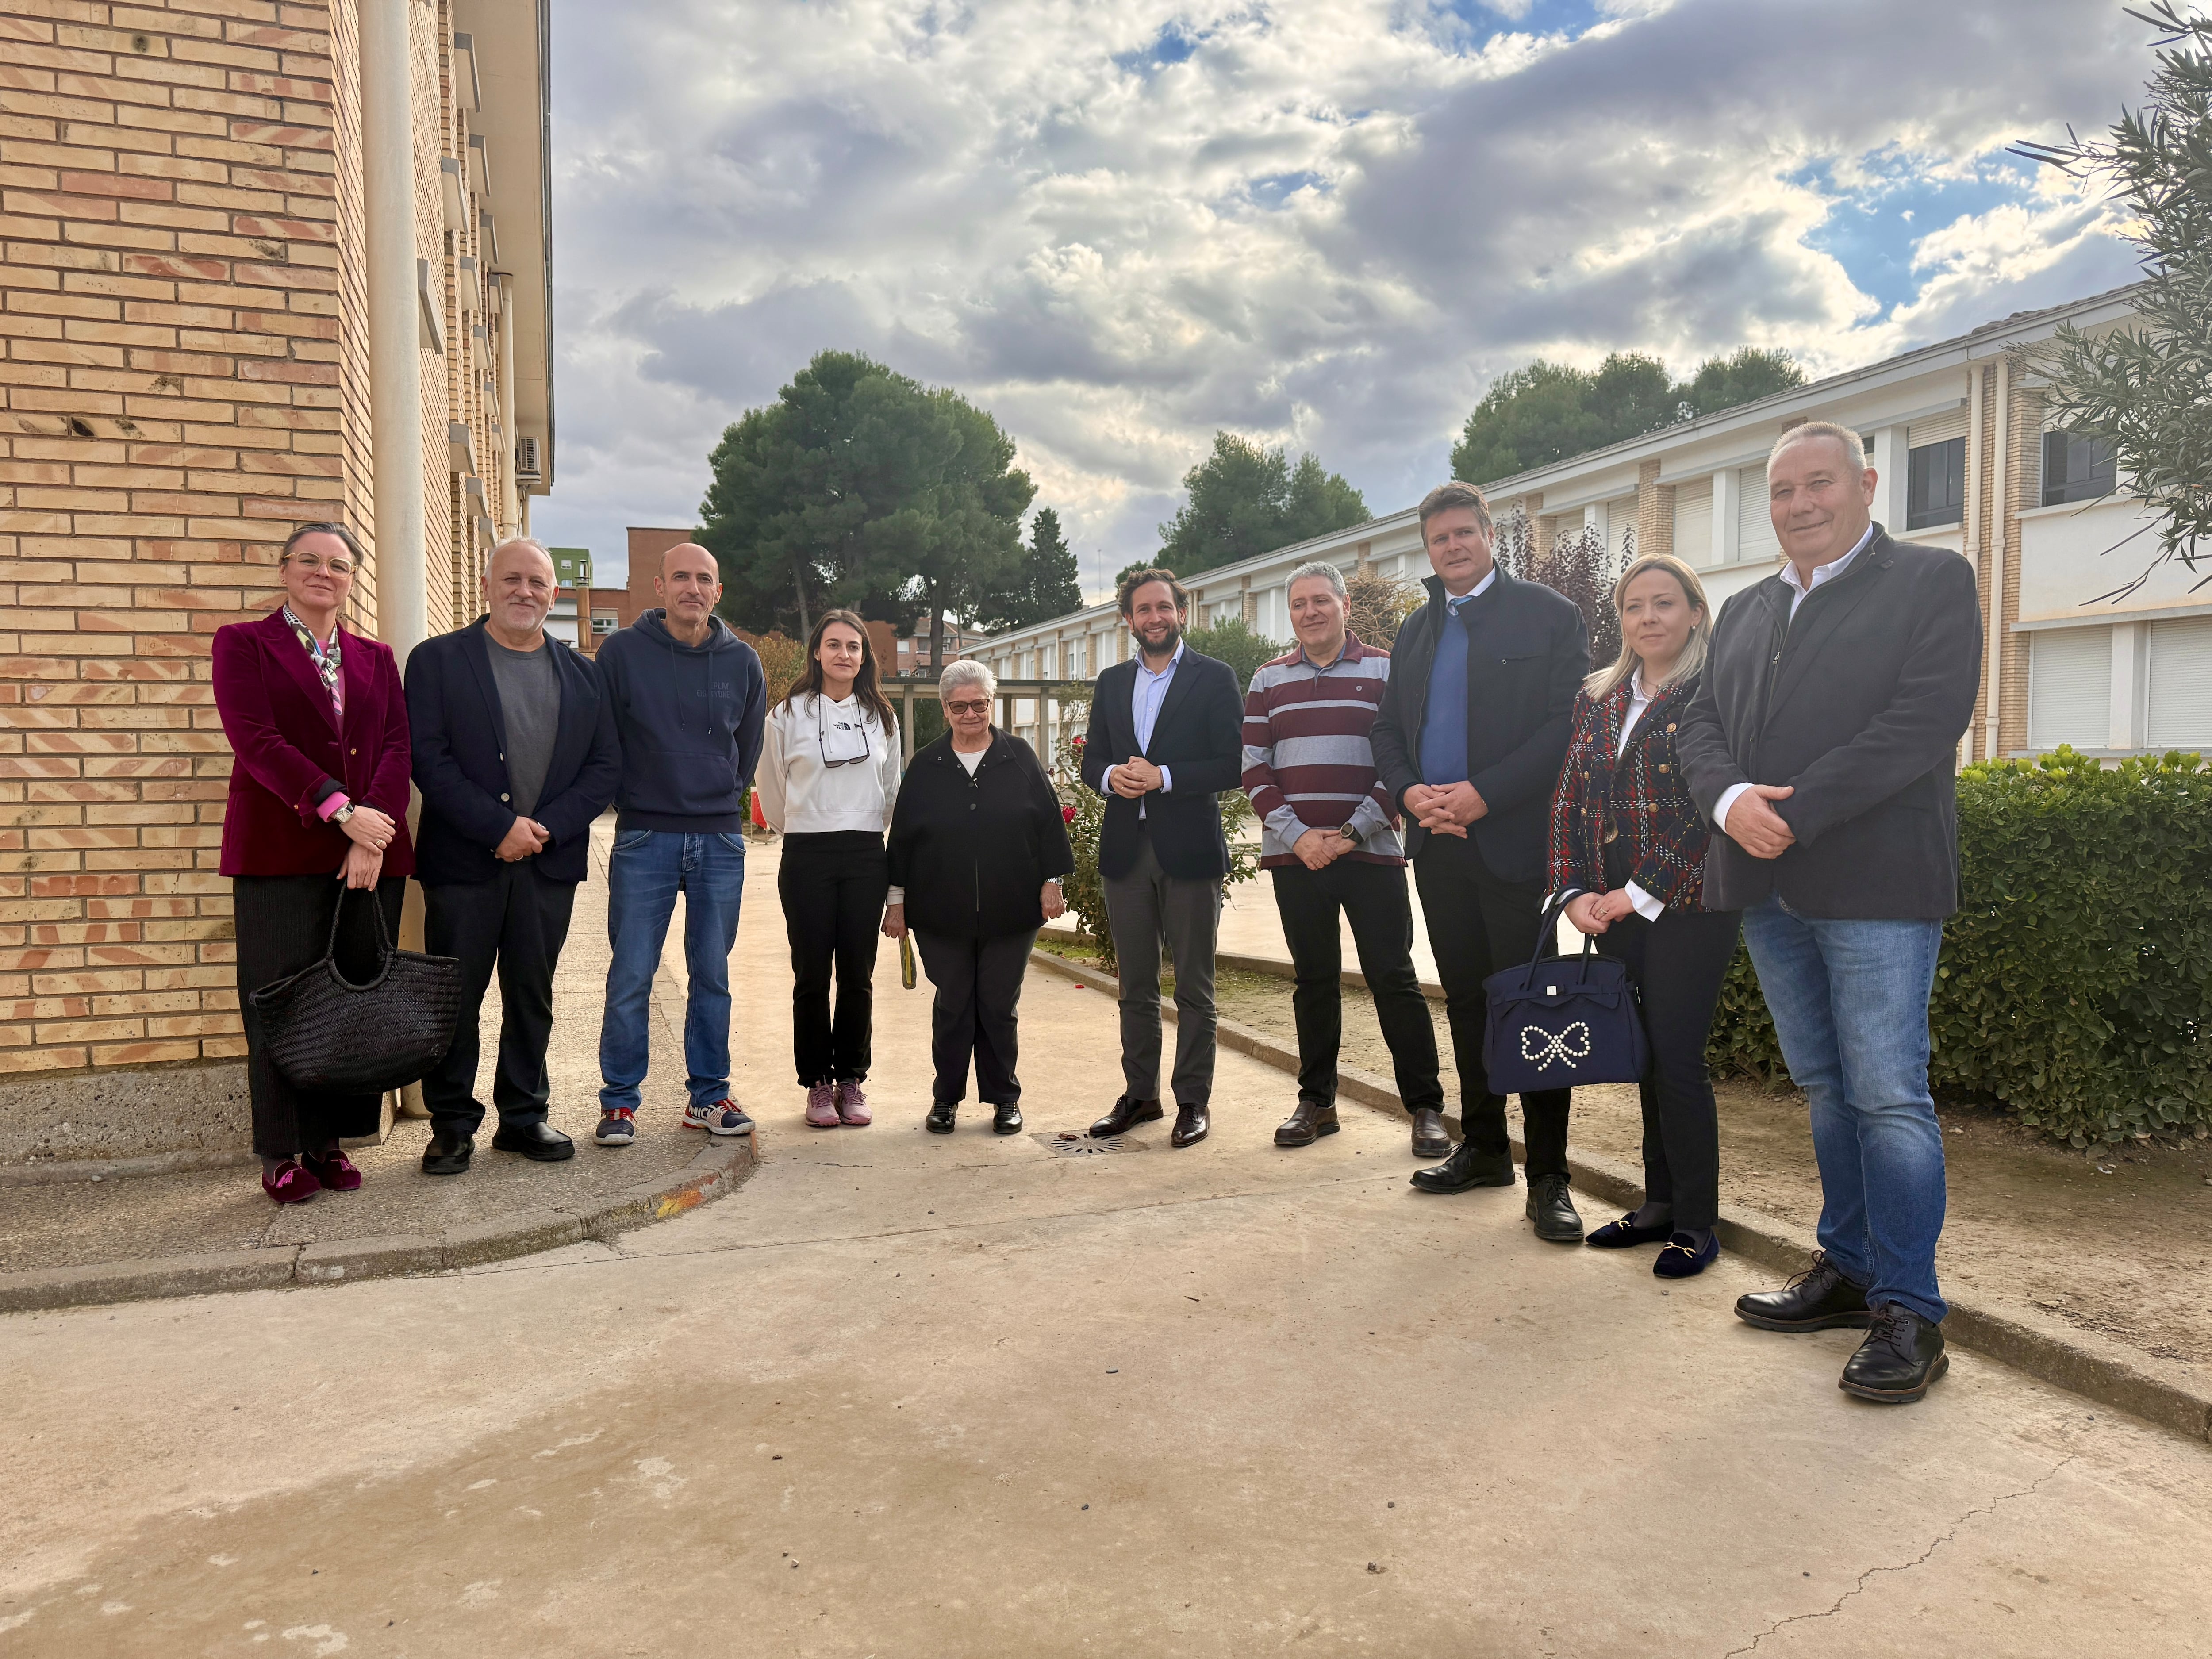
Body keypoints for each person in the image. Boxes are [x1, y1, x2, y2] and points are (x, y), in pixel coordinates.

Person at [1677, 420, 1982, 1405]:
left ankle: (1910, 1310)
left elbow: (1924, 720)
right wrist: (1729, 805)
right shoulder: (1748, 606)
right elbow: (1701, 722)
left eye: (1818, 485)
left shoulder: (1932, 583)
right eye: (1782, 493)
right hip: (1767, 889)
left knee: (1888, 1094)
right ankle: (1847, 1269)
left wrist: (1788, 815)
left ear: (1865, 483)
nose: (1799, 506)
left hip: (1875, 886)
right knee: (1823, 1085)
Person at [1371, 481, 1590, 1239]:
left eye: (1465, 533)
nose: (1454, 547)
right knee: (1465, 1000)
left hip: (1512, 845)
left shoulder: (1550, 616)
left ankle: (1551, 1177)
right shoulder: (1415, 632)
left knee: (1534, 1005)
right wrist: (1410, 795)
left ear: (1490, 535)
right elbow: (1388, 732)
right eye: (1440, 539)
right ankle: (1487, 1148)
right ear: (1428, 549)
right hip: (1436, 846)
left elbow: (1567, 725)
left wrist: (1482, 796)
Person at [403, 538, 622, 1175]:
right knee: (459, 996)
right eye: (512, 579)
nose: (525, 591)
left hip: (546, 864)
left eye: (538, 582)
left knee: (532, 993)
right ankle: (452, 1124)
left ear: (554, 594)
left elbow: (605, 766)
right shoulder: (439, 661)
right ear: (486, 583)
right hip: (465, 862)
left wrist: (545, 828)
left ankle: (523, 1115)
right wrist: (497, 826)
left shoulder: (585, 674)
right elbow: (429, 757)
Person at [212, 523, 414, 1205]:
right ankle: (279, 1150)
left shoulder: (376, 657)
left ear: (352, 577)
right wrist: (338, 809)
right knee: (279, 1001)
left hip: (368, 857)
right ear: (285, 570)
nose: (323, 572)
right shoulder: (242, 645)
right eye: (309, 561)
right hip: (281, 853)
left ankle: (328, 1143)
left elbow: (395, 745)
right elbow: (256, 740)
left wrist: (370, 833)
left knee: (345, 1001)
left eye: (337, 564)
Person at [1550, 553, 1738, 1278]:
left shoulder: (1715, 693)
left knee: (1679, 1062)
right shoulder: (1598, 696)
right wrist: (1573, 893)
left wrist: (1641, 891)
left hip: (1689, 905)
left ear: (1694, 611)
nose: (1649, 618)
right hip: (1612, 907)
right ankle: (1658, 1204)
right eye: (1635, 607)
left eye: (1664, 604)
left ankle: (1696, 1222)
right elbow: (1571, 799)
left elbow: (1706, 810)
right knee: (1645, 1061)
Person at [1241, 561, 1447, 1159]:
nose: (1310, 612)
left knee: (1395, 977)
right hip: (1294, 857)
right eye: (1299, 603)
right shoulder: (1266, 680)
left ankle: (1426, 1107)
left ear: (1345, 604)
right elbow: (1254, 766)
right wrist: (1299, 835)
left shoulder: (1388, 669)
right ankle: (1317, 1101)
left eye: (1321, 601)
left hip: (1373, 851)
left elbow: (1403, 759)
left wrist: (1353, 831)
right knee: (1314, 979)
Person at [591, 542, 767, 1147]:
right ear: (660, 587)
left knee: (712, 973)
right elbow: (605, 740)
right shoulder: (621, 654)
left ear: (718, 592)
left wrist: (717, 796)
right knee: (632, 972)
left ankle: (709, 1096)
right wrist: (640, 798)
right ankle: (619, 1102)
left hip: (719, 835)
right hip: (646, 834)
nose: (694, 588)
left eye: (706, 579)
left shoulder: (743, 662)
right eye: (682, 577)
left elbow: (747, 748)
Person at [1080, 569, 1247, 1149]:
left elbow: (1233, 763)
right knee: (1135, 987)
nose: (1155, 618)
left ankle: (1193, 1102)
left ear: (1181, 612)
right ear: (1129, 620)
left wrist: (1165, 776)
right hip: (1126, 851)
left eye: (1164, 607)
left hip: (1190, 851)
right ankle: (1141, 1095)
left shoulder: (1215, 678)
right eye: (1143, 610)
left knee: (1195, 987)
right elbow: (1091, 761)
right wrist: (1110, 776)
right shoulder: (1110, 682)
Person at [883, 660, 1072, 1133]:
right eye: (959, 706)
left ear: (991, 703)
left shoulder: (1019, 756)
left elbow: (1049, 824)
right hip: (939, 912)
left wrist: (1053, 881)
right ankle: (945, 1098)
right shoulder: (926, 765)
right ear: (945, 710)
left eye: (979, 704)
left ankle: (1004, 1099)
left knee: (996, 1004)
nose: (970, 714)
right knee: (954, 1003)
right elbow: (902, 840)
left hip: (1011, 909)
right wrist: (895, 901)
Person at [756, 609, 902, 1129]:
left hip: (865, 854)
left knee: (857, 976)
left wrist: (867, 830)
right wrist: (801, 825)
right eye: (834, 645)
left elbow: (891, 791)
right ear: (816, 652)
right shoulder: (785, 715)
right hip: (806, 854)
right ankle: (817, 1083)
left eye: (854, 647)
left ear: (864, 658)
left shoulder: (882, 717)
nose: (844, 654)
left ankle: (851, 1080)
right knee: (811, 974)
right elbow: (771, 788)